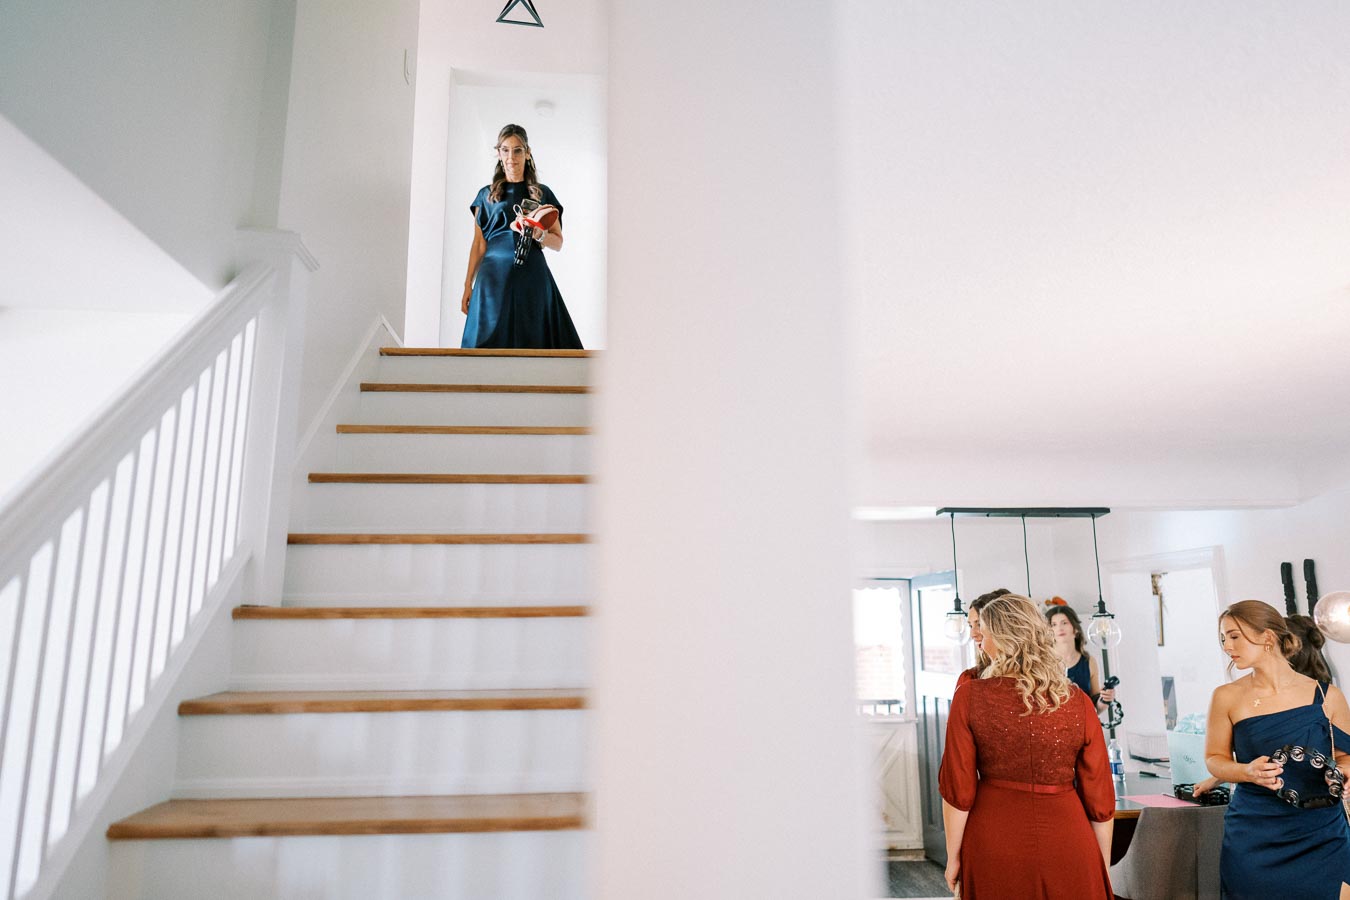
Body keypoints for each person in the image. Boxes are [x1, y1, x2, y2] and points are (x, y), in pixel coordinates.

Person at [939, 593, 1115, 899]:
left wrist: (953, 856)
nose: (979, 638)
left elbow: (959, 790)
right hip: (1070, 838)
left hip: (994, 837)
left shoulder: (969, 697)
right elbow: (1099, 798)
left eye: (984, 630)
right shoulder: (1079, 703)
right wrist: (1101, 867)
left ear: (1002, 636)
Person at [1203, 600, 1350, 900]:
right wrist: (1245, 771)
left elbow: (1346, 758)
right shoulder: (1226, 697)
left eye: (1234, 636)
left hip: (1321, 833)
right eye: (1223, 638)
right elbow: (1214, 760)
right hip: (1254, 834)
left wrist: (1344, 776)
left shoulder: (1327, 696)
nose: (1227, 646)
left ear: (1268, 637)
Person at [460, 124, 583, 349]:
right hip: (492, 278)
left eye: (517, 150)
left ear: (527, 154)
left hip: (532, 274)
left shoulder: (542, 193)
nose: (511, 156)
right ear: (498, 154)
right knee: (485, 345)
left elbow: (558, 242)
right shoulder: (485, 195)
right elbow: (479, 244)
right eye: (505, 150)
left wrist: (540, 234)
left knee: (534, 339)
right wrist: (468, 284)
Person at [1046, 604, 1117, 711]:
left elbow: (1095, 708)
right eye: (1053, 624)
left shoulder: (1089, 662)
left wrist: (1105, 700)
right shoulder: (1043, 662)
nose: (1059, 628)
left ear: (1075, 629)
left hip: (1083, 724)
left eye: (1064, 623)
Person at [955, 588, 1011, 689]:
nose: (973, 634)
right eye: (970, 626)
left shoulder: (1034, 677)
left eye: (979, 624)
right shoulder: (969, 679)